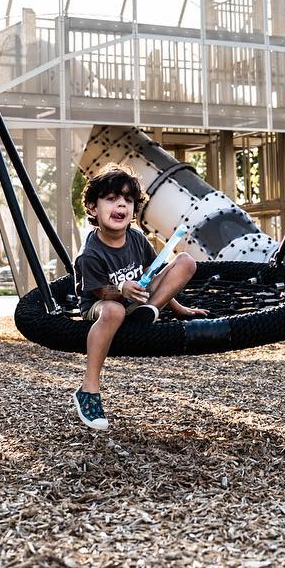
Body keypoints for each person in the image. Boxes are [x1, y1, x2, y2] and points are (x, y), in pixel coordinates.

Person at [72, 163, 207, 431]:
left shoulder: (136, 238)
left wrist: (178, 308)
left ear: (134, 210)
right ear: (92, 208)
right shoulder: (90, 253)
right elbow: (100, 292)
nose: (120, 205)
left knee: (185, 261)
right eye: (111, 199)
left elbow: (152, 275)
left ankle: (149, 313)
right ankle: (88, 390)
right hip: (101, 304)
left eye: (128, 200)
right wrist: (121, 290)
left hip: (139, 302)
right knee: (115, 311)